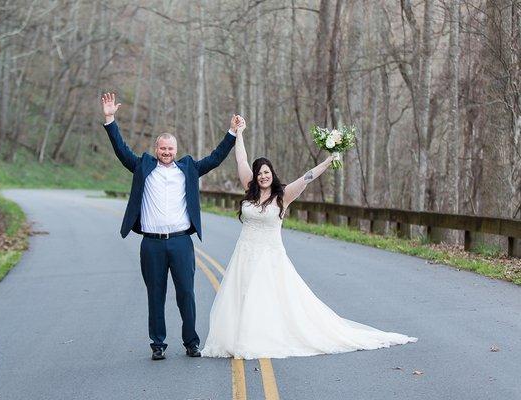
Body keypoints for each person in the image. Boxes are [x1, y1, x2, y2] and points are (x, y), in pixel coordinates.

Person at [201, 116, 417, 359]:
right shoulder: (248, 189)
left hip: (269, 256)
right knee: (241, 296)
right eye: (259, 173)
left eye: (266, 172)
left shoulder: (283, 196)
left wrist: (328, 160)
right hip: (244, 254)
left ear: (272, 174)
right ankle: (238, 337)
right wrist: (238, 132)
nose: (263, 176)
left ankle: (262, 338)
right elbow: (240, 158)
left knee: (266, 299)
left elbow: (307, 177)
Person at [101, 92, 239, 360]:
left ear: (176, 150)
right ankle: (158, 345)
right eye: (162, 148)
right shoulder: (142, 166)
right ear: (156, 149)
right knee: (156, 295)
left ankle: (191, 342)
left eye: (170, 149)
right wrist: (110, 120)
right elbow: (120, 149)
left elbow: (215, 157)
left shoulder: (188, 169)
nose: (166, 152)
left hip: (180, 242)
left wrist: (231, 133)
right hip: (151, 243)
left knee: (186, 293)